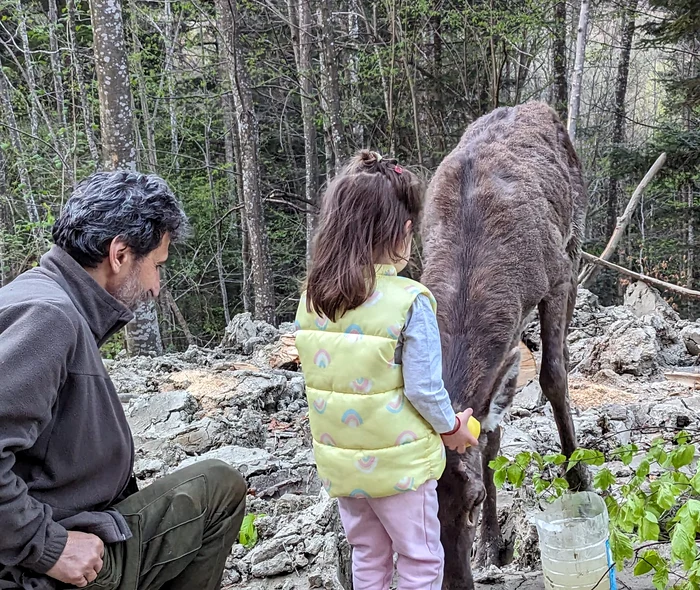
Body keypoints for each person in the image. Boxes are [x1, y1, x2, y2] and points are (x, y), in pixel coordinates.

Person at [0, 171, 247, 590]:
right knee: (218, 488)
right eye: (156, 266)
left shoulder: (37, 295)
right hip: (37, 566)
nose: (155, 287)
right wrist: (47, 544)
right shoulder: (49, 317)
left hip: (48, 535)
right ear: (120, 254)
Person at [294, 150, 479, 590]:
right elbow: (423, 390)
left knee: (369, 556)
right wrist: (453, 426)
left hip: (343, 467)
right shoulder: (410, 301)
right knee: (420, 558)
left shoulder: (314, 299)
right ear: (404, 231)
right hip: (401, 468)